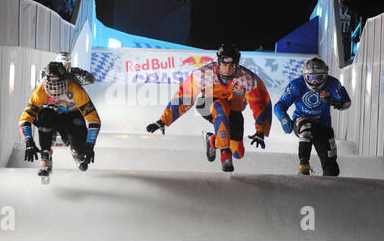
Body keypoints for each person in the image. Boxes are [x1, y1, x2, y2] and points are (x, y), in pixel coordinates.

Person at [146, 43, 273, 172]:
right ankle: (225, 154)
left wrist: (260, 131)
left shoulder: (247, 79)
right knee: (221, 107)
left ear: (237, 64)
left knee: (238, 153)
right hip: (206, 105)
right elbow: (183, 97)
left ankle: (212, 141)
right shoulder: (203, 74)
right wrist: (163, 120)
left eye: (232, 65)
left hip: (233, 110)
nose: (227, 69)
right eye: (224, 65)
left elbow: (261, 104)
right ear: (218, 63)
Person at [19, 62, 101, 178]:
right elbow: (26, 118)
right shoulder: (40, 91)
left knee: (76, 135)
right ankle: (45, 155)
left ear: (66, 80)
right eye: (51, 86)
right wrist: (28, 141)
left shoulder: (76, 90)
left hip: (71, 116)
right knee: (44, 115)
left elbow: (94, 119)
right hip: (51, 118)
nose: (55, 91)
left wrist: (89, 145)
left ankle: (77, 151)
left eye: (58, 85)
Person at [274, 57, 351, 176]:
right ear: (305, 77)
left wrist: (333, 101)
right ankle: (303, 165)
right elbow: (280, 105)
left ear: (325, 76)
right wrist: (284, 119)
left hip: (323, 126)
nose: (315, 83)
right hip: (301, 120)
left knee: (331, 166)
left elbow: (346, 102)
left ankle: (330, 188)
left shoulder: (333, 83)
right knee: (306, 128)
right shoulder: (296, 85)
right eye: (311, 78)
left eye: (318, 78)